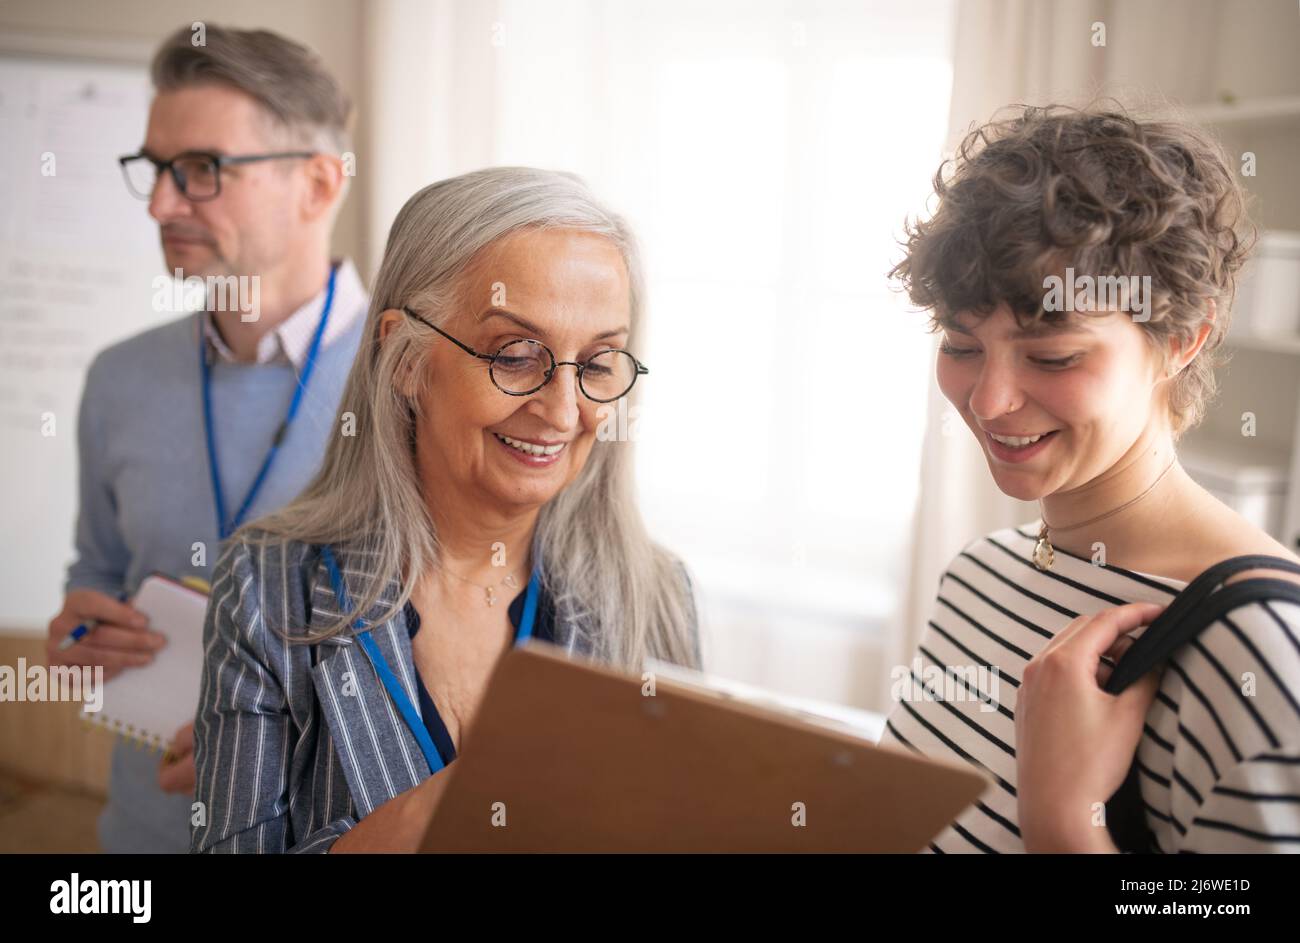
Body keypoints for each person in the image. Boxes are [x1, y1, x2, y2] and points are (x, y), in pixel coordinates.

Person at [191, 167, 701, 854]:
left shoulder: (658, 594)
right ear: (404, 357)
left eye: (599, 362)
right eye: (517, 355)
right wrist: (451, 809)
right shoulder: (266, 584)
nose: (562, 410)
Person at [883, 104, 1300, 852]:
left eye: (1053, 357)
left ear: (1183, 337)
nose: (988, 400)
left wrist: (1065, 823)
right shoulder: (976, 579)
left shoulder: (1267, 649)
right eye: (960, 343)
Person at [44, 24, 366, 853]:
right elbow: (100, 572)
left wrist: (276, 739)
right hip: (141, 841)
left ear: (318, 184)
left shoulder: (412, 382)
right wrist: (81, 633)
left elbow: (455, 664)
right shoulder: (119, 379)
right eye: (155, 170)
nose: (159, 204)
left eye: (201, 170)